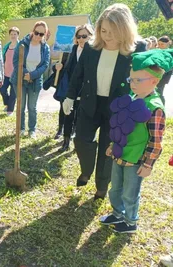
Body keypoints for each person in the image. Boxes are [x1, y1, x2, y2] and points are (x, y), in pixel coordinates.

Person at [62, 3, 146, 200]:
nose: (107, 36)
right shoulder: (92, 48)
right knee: (81, 140)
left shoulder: (138, 48)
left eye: (113, 31)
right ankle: (86, 170)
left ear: (125, 30)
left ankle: (101, 185)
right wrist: (70, 96)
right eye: (103, 30)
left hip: (118, 109)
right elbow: (78, 74)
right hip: (91, 103)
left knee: (108, 149)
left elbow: (144, 77)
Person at [99, 48, 171, 233]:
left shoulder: (155, 108)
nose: (133, 83)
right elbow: (120, 127)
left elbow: (156, 141)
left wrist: (148, 164)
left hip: (136, 159)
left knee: (130, 193)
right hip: (120, 154)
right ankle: (117, 213)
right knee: (115, 188)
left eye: (138, 80)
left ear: (155, 81)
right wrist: (112, 145)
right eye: (131, 79)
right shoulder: (130, 98)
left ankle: (130, 222)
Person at [52, 24, 94, 151]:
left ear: (90, 36)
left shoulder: (94, 52)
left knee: (80, 116)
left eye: (84, 36)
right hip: (71, 88)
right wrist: (57, 66)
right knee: (68, 114)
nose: (81, 39)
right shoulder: (71, 50)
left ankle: (78, 141)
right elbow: (63, 65)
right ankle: (65, 141)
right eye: (79, 36)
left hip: (85, 90)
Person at [10, 21, 50, 138]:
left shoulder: (45, 48)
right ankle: (21, 128)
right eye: (36, 33)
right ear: (33, 31)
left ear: (45, 35)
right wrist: (25, 73)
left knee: (32, 107)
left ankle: (32, 129)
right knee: (21, 106)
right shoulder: (23, 43)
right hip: (20, 79)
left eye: (41, 34)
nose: (38, 36)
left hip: (35, 81)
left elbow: (45, 65)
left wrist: (32, 75)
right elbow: (16, 60)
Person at [0, 26, 20, 116]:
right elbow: (3, 58)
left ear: (18, 35)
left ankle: (10, 110)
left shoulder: (20, 47)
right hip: (6, 73)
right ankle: (8, 104)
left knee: (13, 92)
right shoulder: (7, 46)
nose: (13, 36)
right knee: (2, 90)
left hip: (15, 74)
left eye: (15, 34)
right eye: (11, 34)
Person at [156, 36, 172, 104]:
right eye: (159, 44)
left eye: (162, 44)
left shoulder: (170, 53)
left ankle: (161, 110)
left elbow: (170, 66)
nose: (160, 46)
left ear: (168, 43)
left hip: (163, 77)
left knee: (159, 92)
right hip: (155, 75)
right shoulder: (158, 52)